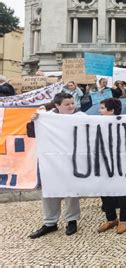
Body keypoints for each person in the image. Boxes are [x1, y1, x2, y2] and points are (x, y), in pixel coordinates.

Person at [27, 92, 81, 239]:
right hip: (50, 161)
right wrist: (33, 122)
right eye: (67, 104)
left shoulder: (80, 116)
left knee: (70, 190)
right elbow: (32, 134)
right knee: (49, 190)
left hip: (71, 160)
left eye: (72, 103)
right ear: (57, 105)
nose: (71, 106)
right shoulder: (45, 117)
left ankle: (72, 220)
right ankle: (50, 222)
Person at [97, 98, 126, 234]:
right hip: (103, 162)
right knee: (105, 190)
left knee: (123, 191)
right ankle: (111, 218)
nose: (99, 111)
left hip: (121, 163)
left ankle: (123, 220)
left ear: (111, 110)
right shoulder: (97, 123)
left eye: (102, 108)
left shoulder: (124, 122)